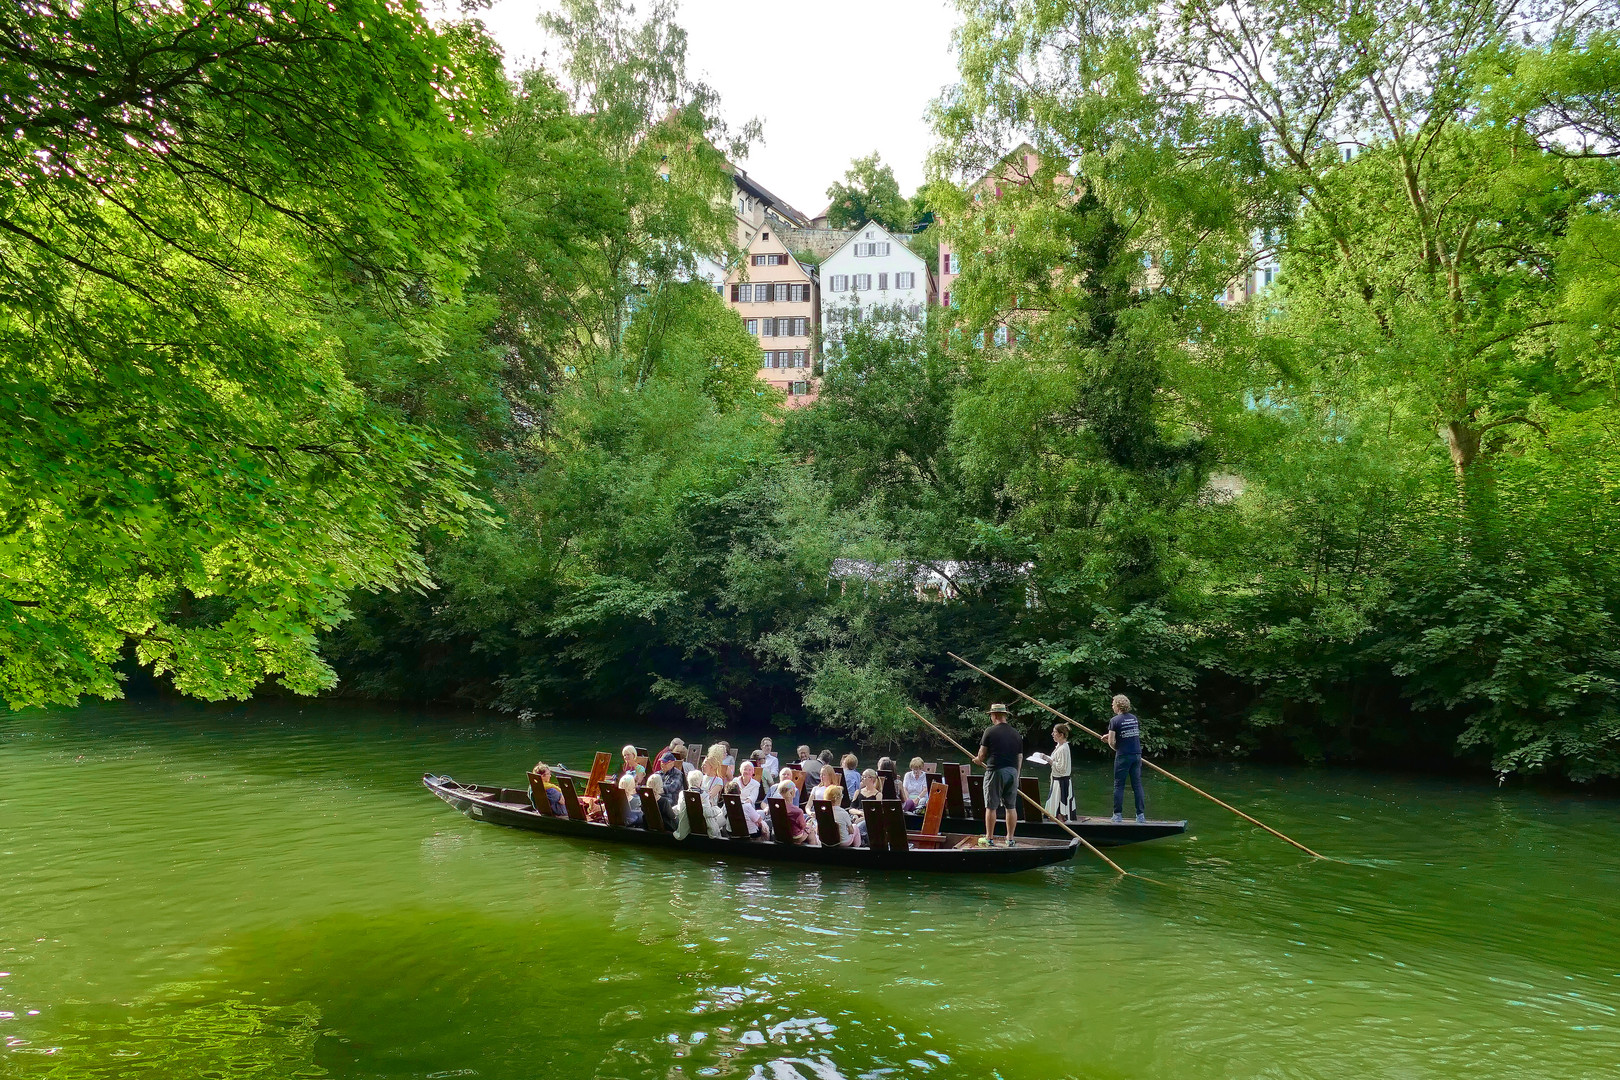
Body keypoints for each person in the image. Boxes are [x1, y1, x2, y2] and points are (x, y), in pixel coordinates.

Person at [973, 702, 1024, 847]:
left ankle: (989, 838)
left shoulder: (990, 731)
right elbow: (1019, 757)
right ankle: (1010, 839)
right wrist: (1017, 775)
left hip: (996, 770)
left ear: (994, 716)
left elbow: (982, 754)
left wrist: (977, 760)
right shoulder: (1016, 733)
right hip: (1013, 772)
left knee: (991, 806)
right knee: (1011, 806)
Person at [1106, 694, 1147, 823]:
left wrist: (1113, 745)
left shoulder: (1114, 720)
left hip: (1123, 756)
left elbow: (1112, 742)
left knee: (1119, 785)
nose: (1112, 706)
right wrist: (1109, 735)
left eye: (1113, 704)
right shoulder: (1133, 718)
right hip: (1136, 755)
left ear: (1118, 706)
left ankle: (1117, 815)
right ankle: (1140, 816)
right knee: (1137, 785)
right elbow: (1127, 734)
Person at [1047, 723, 1075, 821]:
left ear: (1061, 735)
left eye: (1054, 732)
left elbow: (1061, 768)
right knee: (1054, 804)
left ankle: (1061, 818)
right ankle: (1055, 816)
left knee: (1061, 807)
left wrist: (1049, 761)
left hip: (1061, 782)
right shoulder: (1059, 746)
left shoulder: (1063, 748)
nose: (1052, 734)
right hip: (1056, 780)